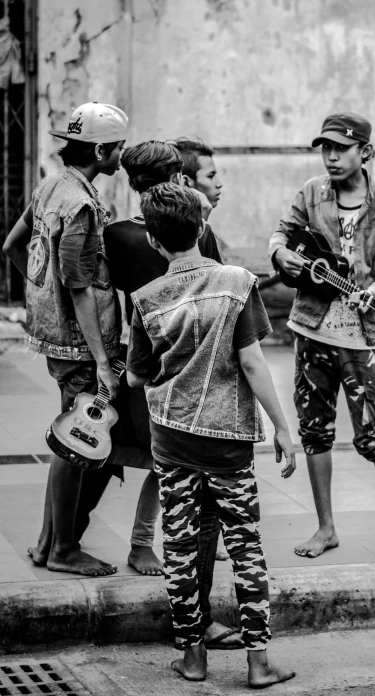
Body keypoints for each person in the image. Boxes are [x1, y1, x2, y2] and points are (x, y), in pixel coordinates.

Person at [126, 182, 296, 687]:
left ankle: (194, 658)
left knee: (179, 548)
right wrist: (283, 429)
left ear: (154, 243)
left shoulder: (147, 299)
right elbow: (251, 360)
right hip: (229, 443)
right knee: (245, 546)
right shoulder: (238, 282)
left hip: (173, 441)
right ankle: (259, 663)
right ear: (203, 227)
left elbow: (136, 376)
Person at [102, 140, 242, 649]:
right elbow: (232, 321)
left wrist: (116, 364)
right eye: (205, 175)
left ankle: (191, 627)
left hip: (161, 370)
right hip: (189, 376)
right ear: (181, 182)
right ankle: (195, 618)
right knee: (186, 484)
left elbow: (110, 303)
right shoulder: (187, 243)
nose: (213, 183)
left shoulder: (117, 234)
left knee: (173, 472)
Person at [269, 112, 375, 558]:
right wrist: (280, 255)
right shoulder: (311, 193)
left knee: (372, 434)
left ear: (364, 152)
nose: (331, 156)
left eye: (341, 148)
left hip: (363, 335)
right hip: (312, 326)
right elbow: (282, 233)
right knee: (314, 430)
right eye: (325, 148)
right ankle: (326, 527)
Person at [2, 102, 128, 575]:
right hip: (80, 346)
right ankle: (63, 550)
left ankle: (45, 544)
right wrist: (100, 360)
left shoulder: (51, 185)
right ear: (100, 150)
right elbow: (78, 286)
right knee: (78, 441)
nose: (122, 155)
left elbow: (12, 247)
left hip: (57, 338)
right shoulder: (79, 203)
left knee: (73, 435)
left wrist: (41, 298)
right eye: (117, 148)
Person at [167, 138, 222, 222]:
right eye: (210, 176)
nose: (219, 184)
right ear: (185, 182)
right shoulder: (165, 230)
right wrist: (201, 225)